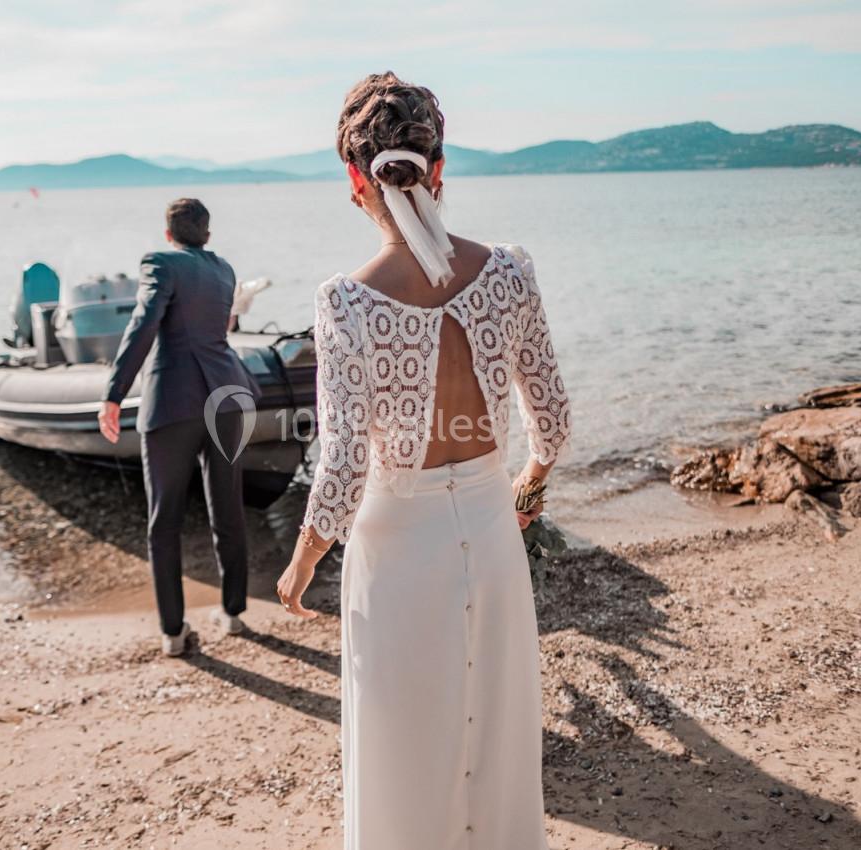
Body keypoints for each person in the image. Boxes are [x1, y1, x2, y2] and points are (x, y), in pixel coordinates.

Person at [275, 73, 571, 849]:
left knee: (401, 742)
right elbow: (556, 421)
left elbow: (340, 458)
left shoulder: (346, 300)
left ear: (354, 180)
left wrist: (303, 560)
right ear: (440, 169)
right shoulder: (509, 271)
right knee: (495, 739)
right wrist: (527, 484)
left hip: (395, 546)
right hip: (489, 525)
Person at [99, 198, 260, 657]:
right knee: (227, 506)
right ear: (207, 233)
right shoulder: (224, 269)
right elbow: (219, 328)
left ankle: (173, 633)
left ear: (168, 233)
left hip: (173, 403)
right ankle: (233, 614)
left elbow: (143, 324)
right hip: (226, 398)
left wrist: (114, 393)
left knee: (164, 521)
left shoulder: (160, 263)